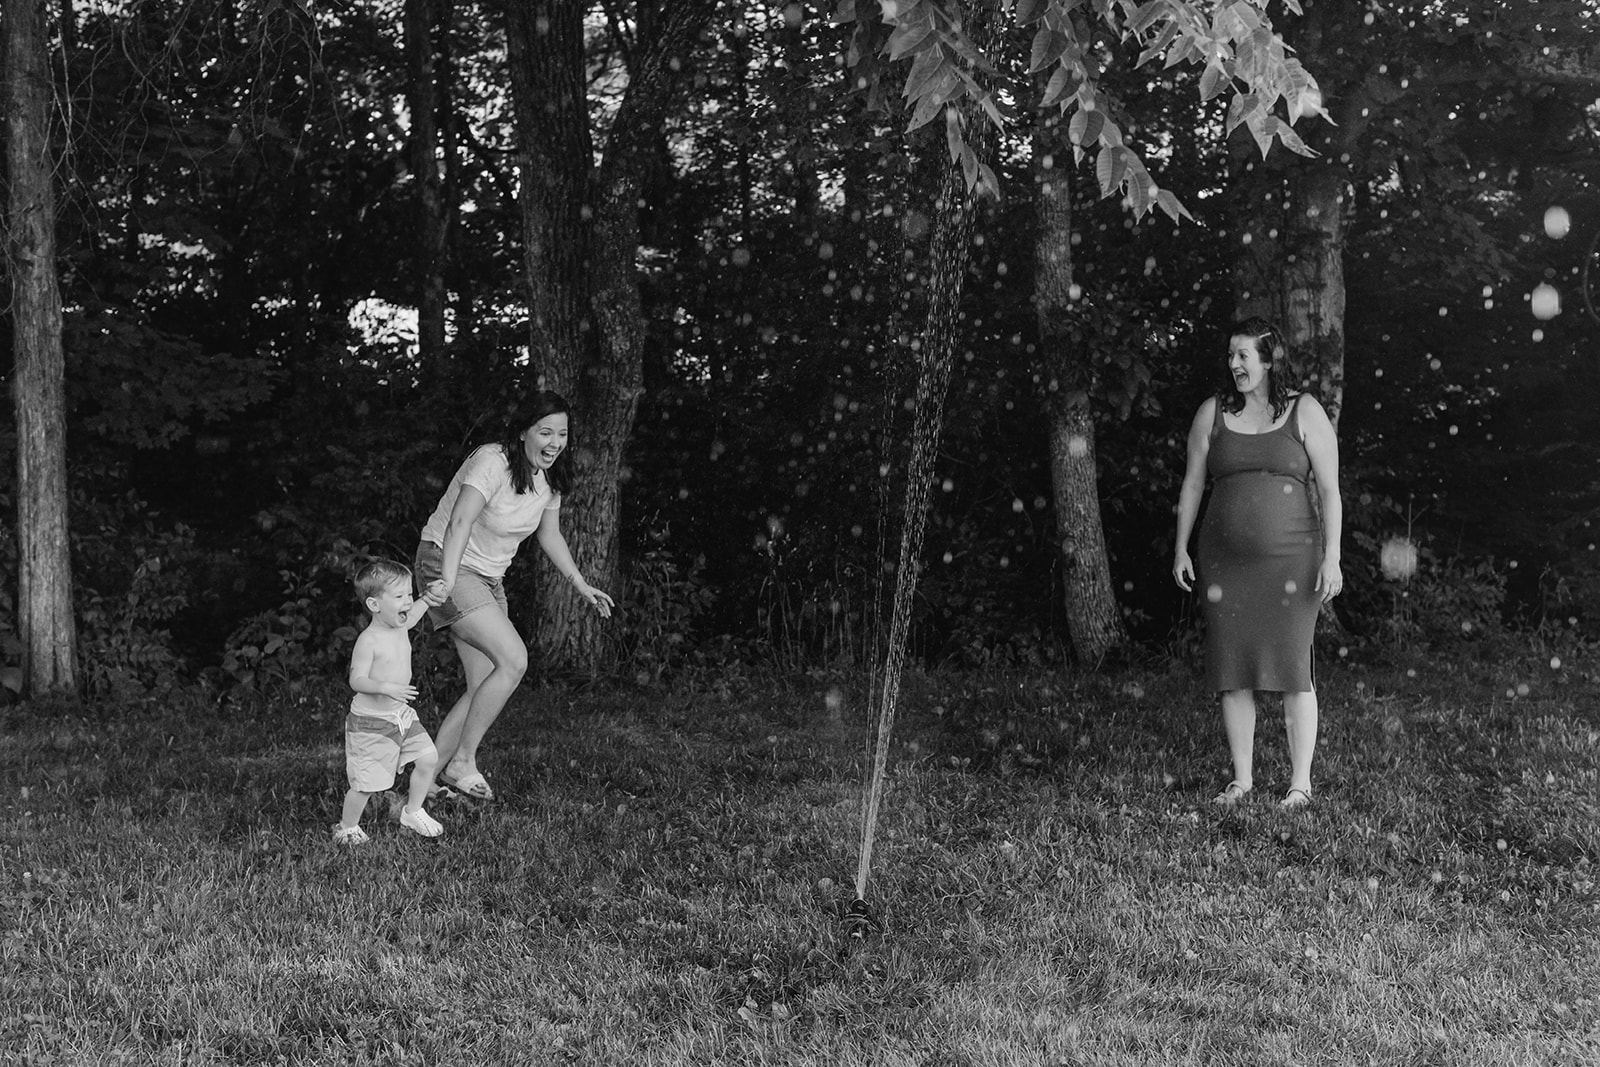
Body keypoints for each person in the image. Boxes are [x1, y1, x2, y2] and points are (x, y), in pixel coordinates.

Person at [1172, 318, 1343, 811]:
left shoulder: (1304, 411)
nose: (1234, 365)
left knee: (1294, 668)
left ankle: (1300, 784)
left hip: (1294, 560)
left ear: (1269, 360)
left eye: (1244, 355)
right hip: (1224, 563)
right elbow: (1191, 485)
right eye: (1230, 355)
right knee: (1232, 667)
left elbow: (1330, 491)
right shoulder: (1213, 413)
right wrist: (1180, 548)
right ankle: (1242, 779)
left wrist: (1332, 557)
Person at [414, 390, 614, 802]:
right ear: (523, 432)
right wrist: (448, 580)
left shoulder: (549, 478)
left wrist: (581, 584)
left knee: (485, 682)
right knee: (514, 660)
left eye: (562, 433)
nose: (555, 443)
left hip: (489, 578)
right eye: (545, 432)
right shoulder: (493, 461)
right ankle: (462, 762)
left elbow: (549, 534)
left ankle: (420, 786)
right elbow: (460, 522)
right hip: (445, 562)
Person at [335, 558, 447, 844]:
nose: (408, 601)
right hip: (372, 722)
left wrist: (427, 598)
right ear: (374, 605)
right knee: (367, 784)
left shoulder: (400, 624)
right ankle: (347, 828)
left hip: (401, 715)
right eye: (399, 597)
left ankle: (413, 811)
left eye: (409, 594)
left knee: (428, 758)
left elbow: (413, 614)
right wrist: (385, 687)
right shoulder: (369, 640)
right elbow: (356, 680)